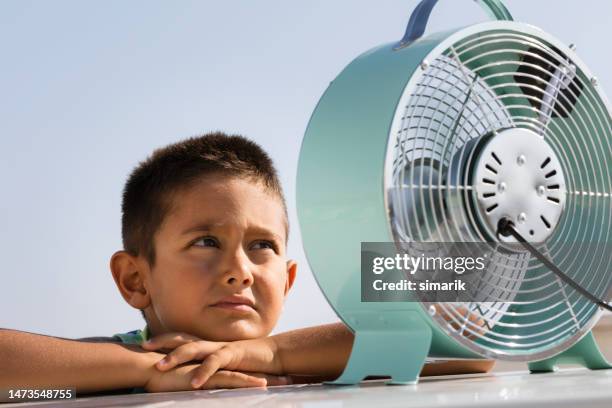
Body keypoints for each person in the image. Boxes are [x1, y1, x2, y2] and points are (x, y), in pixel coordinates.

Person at [0, 132, 494, 395]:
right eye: (206, 242)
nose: (240, 269)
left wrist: (271, 355)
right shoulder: (95, 379)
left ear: (289, 277)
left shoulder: (312, 369)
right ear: (135, 279)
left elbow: (469, 343)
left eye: (263, 246)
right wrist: (149, 371)